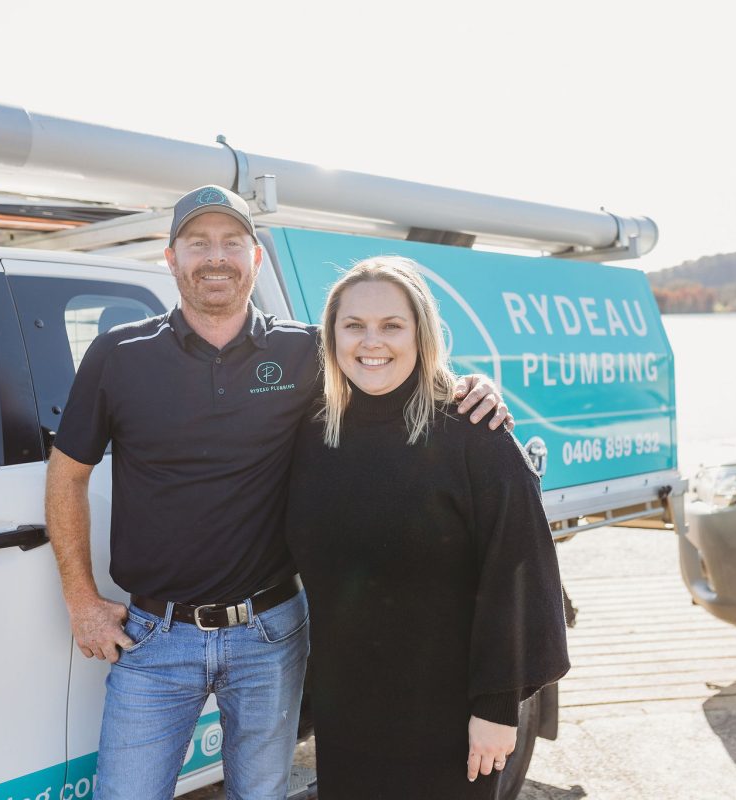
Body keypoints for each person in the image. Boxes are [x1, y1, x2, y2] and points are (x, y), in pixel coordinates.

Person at [45, 186, 510, 800]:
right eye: (198, 243)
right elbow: (67, 474)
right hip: (155, 635)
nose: (216, 257)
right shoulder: (118, 354)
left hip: (270, 634)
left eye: (232, 243)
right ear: (171, 258)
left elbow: (389, 367)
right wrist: (81, 598)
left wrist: (470, 386)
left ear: (255, 259)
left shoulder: (306, 352)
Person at [284, 256, 571, 799]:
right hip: (348, 713)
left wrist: (497, 708)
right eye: (354, 325)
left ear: (422, 334)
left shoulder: (473, 432)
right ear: (331, 335)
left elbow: (519, 569)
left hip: (451, 718)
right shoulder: (312, 430)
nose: (373, 341)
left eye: (392, 325)